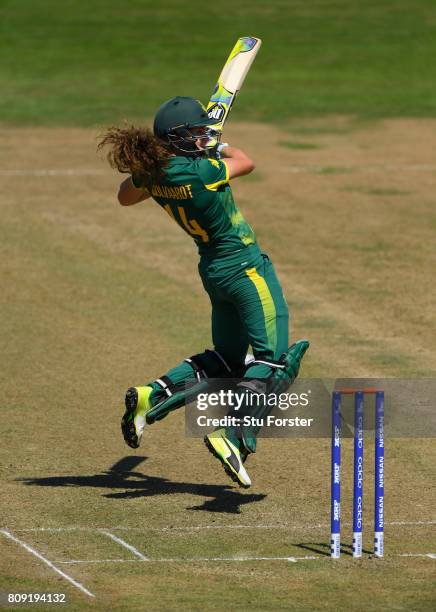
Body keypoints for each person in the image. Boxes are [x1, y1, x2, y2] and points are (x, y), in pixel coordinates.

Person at [98, 96, 309, 488]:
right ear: (178, 139)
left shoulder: (157, 174)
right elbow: (246, 162)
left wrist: (161, 161)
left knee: (228, 360)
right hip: (246, 270)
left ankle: (152, 396)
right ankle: (229, 433)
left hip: (213, 271)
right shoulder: (201, 172)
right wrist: (218, 144)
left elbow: (124, 196)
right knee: (276, 361)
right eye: (194, 134)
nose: (201, 138)